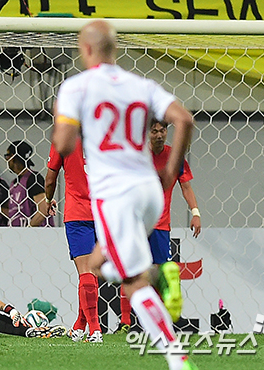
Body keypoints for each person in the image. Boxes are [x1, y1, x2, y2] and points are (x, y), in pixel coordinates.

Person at [53, 20, 198, 370]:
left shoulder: (76, 87)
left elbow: (64, 144)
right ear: (114, 49)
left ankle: (176, 357)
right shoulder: (142, 85)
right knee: (100, 263)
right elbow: (185, 119)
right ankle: (156, 274)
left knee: (130, 282)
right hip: (150, 189)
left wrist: (73, 129)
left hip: (114, 195)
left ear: (85, 49)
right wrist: (170, 171)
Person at [116, 119, 202, 333]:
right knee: (130, 271)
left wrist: (195, 212)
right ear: (148, 134)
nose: (159, 135)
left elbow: (186, 185)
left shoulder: (174, 156)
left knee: (162, 273)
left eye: (162, 130)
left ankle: (164, 318)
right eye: (154, 131)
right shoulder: (137, 157)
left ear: (167, 132)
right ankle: (125, 322)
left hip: (160, 226)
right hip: (136, 225)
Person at [44, 139, 102, 342]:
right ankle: (80, 325)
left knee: (85, 270)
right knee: (92, 272)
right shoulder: (105, 133)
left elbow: (51, 180)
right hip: (105, 213)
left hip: (78, 214)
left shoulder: (63, 138)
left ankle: (95, 330)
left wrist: (48, 199)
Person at [5, 140, 54, 227]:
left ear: (13, 157)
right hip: (18, 235)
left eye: (7, 156)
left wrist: (28, 230)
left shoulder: (33, 179)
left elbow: (43, 210)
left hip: (35, 236)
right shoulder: (14, 183)